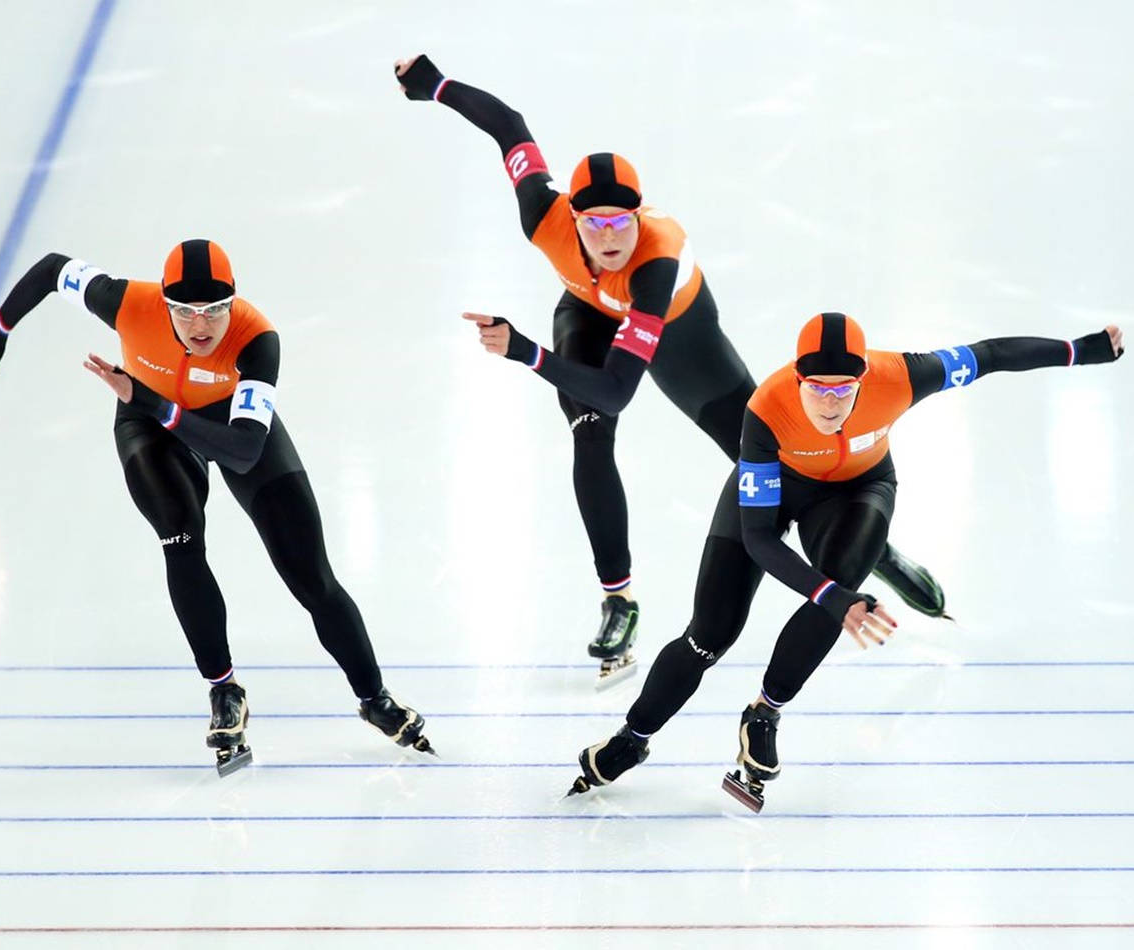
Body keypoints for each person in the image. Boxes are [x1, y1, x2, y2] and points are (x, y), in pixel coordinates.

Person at [393, 54, 945, 683]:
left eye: (621, 220)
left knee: (761, 450)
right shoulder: (541, 213)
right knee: (589, 436)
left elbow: (619, 389)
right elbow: (509, 125)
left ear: (639, 214)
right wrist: (437, 86)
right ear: (570, 216)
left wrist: (526, 353)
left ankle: (869, 548)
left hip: (679, 328)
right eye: (594, 222)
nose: (608, 235)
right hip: (588, 309)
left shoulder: (657, 262)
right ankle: (618, 599)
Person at [565, 312, 1125, 809]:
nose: (830, 402)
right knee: (709, 635)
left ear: (864, 378)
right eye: (818, 389)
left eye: (844, 390)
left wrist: (1081, 349)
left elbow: (993, 355)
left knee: (836, 589)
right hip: (776, 486)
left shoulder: (903, 374)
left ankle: (763, 714)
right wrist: (833, 598)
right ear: (798, 377)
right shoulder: (766, 409)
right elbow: (761, 541)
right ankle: (630, 739)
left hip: (859, 491)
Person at [0, 239, 433, 775]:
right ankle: (224, 690)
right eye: (185, 311)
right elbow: (51, 269)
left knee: (310, 574)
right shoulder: (126, 301)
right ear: (164, 304)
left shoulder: (257, 339)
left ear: (233, 304)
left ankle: (374, 697)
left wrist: (153, 403)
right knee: (180, 537)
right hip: (148, 424)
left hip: (214, 423)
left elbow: (244, 449)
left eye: (213, 311)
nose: (200, 326)